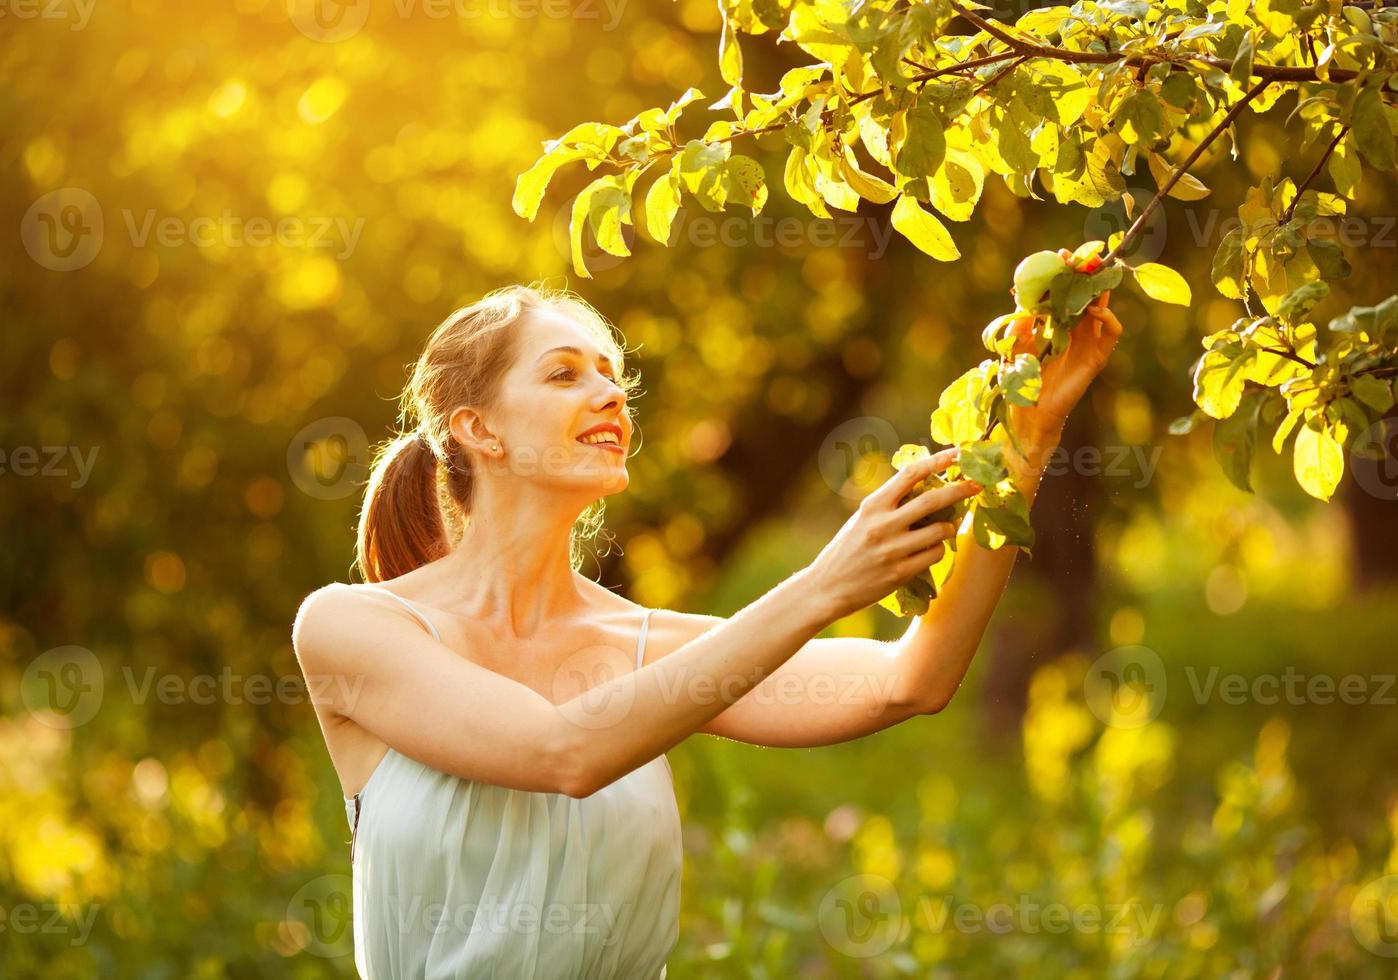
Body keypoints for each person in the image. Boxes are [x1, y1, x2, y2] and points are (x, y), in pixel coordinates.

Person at [291, 281, 1122, 978]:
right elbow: (562, 753)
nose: (610, 394)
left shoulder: (653, 648)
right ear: (478, 428)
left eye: (613, 376)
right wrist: (823, 585)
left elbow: (915, 678)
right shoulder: (355, 628)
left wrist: (1026, 434)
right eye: (564, 374)